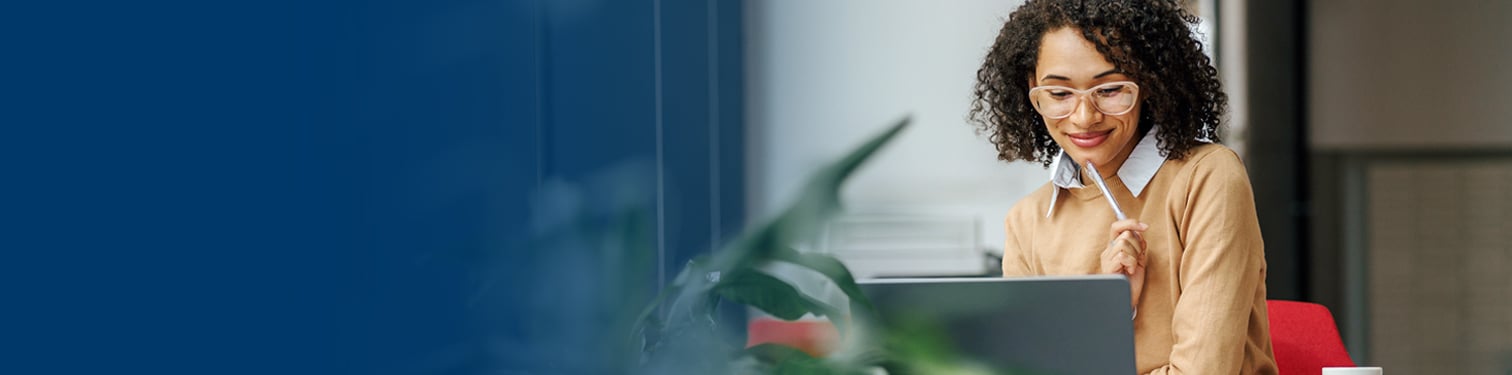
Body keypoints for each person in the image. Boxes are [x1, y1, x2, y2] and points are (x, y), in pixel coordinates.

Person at [967, 0, 1277, 374]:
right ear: (1033, 87)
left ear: (1148, 82)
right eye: (1060, 94)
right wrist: (1106, 309)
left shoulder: (1207, 178)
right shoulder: (1028, 221)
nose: (1084, 117)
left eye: (1110, 90)